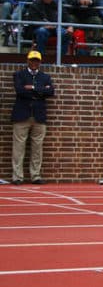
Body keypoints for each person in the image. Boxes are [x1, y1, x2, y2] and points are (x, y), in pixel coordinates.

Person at [11, 50, 54, 185]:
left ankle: (35, 175)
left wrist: (33, 87)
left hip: (39, 116)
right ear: (27, 60)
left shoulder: (45, 76)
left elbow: (50, 92)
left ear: (40, 62)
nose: (34, 62)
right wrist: (40, 91)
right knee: (18, 147)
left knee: (37, 148)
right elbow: (20, 91)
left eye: (37, 60)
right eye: (32, 60)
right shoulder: (19, 75)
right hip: (22, 115)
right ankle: (17, 177)